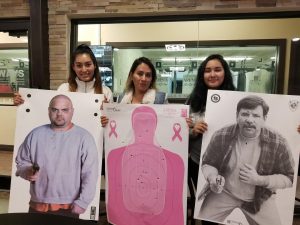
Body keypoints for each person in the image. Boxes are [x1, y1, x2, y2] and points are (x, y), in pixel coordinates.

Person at [198, 95, 294, 225]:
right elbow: (208, 163)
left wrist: (260, 180)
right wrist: (213, 177)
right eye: (245, 114)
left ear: (264, 119)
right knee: (205, 219)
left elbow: (289, 177)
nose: (249, 120)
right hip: (224, 192)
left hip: (260, 197)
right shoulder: (222, 135)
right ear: (237, 115)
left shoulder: (278, 142)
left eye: (255, 115)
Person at [15, 94, 99, 218]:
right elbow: (22, 162)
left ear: (72, 112)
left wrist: (83, 201)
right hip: (37, 204)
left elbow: (90, 173)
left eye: (64, 110)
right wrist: (26, 171)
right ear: (49, 111)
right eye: (55, 110)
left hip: (69, 206)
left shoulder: (84, 138)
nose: (59, 114)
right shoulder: (35, 134)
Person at [185, 54, 235, 225]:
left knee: (232, 213)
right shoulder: (193, 101)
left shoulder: (238, 99)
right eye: (207, 71)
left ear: (225, 73)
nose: (212, 74)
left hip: (231, 167)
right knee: (208, 213)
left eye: (217, 70)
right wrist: (193, 130)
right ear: (202, 75)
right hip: (198, 164)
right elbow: (182, 132)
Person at [13, 44, 113, 105]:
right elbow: (48, 109)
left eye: (88, 64)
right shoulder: (64, 89)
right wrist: (24, 102)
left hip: (96, 139)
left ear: (95, 65)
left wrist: (108, 111)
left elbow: (112, 123)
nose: (84, 69)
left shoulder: (106, 91)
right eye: (79, 65)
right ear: (73, 67)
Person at [101, 56, 167, 127]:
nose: (144, 79)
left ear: (152, 79)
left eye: (148, 75)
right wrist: (107, 116)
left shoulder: (160, 99)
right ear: (132, 76)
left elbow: (166, 127)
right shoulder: (121, 99)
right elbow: (117, 124)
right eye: (140, 74)